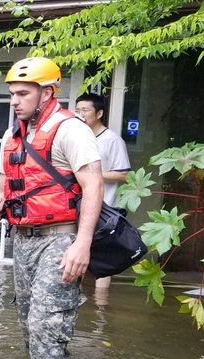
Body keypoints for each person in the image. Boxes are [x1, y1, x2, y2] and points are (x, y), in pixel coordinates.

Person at [0, 57, 104, 359]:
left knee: (45, 325)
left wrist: (82, 244)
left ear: (46, 92)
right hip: (22, 241)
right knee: (28, 325)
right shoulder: (12, 137)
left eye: (23, 93)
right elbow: (0, 193)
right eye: (12, 93)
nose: (14, 101)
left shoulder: (70, 130)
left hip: (60, 239)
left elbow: (93, 186)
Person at [74, 92, 132, 290]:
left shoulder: (112, 140)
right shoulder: (77, 138)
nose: (80, 114)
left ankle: (100, 304)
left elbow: (123, 175)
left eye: (85, 110)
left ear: (99, 113)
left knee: (102, 258)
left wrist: (92, 175)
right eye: (78, 110)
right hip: (77, 206)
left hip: (104, 207)